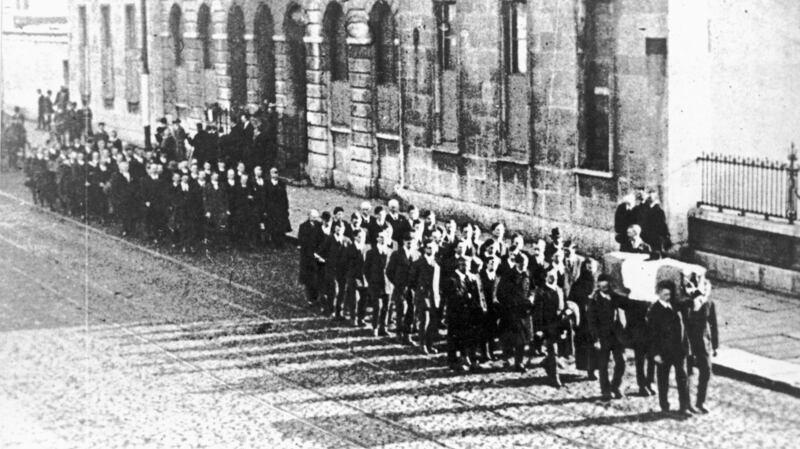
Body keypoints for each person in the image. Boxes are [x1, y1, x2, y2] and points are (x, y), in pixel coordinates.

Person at [647, 280, 694, 416]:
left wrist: (693, 289)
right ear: (659, 294)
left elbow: (692, 304)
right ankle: (664, 406)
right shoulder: (655, 310)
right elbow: (651, 334)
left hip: (679, 351)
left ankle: (683, 407)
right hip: (663, 352)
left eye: (670, 294)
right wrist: (655, 353)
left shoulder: (675, 306)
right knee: (663, 380)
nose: (668, 296)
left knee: (683, 379)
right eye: (665, 294)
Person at [587, 274, 628, 399]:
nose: (604, 288)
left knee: (621, 362)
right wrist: (595, 339)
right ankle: (605, 390)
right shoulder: (594, 300)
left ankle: (615, 386)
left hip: (617, 336)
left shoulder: (616, 297)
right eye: (601, 286)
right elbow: (591, 322)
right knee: (603, 365)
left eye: (606, 285)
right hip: (602, 336)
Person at [443, 255, 486, 371]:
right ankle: (454, 362)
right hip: (456, 314)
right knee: (455, 339)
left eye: (467, 265)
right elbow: (452, 296)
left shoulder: (471, 278)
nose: (465, 267)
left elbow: (477, 294)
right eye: (463, 265)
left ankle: (470, 360)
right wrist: (465, 296)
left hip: (469, 313)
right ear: (459, 265)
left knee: (469, 337)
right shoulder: (452, 279)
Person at [685, 276, 718, 414]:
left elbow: (713, 324)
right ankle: (686, 404)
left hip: (704, 343)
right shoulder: (688, 303)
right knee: (688, 374)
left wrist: (715, 345)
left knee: (706, 371)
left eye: (706, 288)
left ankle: (700, 402)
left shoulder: (709, 303)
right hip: (689, 342)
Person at [495, 253, 533, 373]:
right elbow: (500, 293)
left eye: (525, 264)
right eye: (522, 264)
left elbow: (531, 289)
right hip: (510, 312)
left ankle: (519, 363)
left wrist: (531, 297)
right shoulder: (508, 275)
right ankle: (507, 360)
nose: (524, 266)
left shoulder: (526, 274)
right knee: (509, 339)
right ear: (517, 263)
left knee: (522, 339)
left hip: (523, 312)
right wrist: (511, 304)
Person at [532, 270, 566, 387]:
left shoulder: (560, 290)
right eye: (550, 277)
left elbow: (563, 307)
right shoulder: (541, 291)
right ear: (546, 278)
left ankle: (547, 363)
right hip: (547, 326)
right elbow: (537, 312)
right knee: (553, 351)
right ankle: (554, 377)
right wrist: (539, 329)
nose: (552, 278)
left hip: (559, 325)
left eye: (554, 276)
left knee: (557, 351)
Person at [569, 258, 598, 380]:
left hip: (596, 318)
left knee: (595, 344)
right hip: (583, 319)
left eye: (591, 267)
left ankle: (594, 369)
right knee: (584, 344)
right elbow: (572, 300)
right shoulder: (578, 283)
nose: (589, 269)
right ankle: (587, 368)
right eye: (587, 267)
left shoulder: (597, 283)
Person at [386, 232, 418, 345]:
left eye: (412, 240)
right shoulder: (397, 254)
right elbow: (389, 271)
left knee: (411, 311)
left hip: (412, 289)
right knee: (400, 311)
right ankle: (398, 334)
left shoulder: (416, 255)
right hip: (400, 287)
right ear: (404, 241)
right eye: (407, 240)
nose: (410, 242)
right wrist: (397, 283)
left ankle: (407, 335)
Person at [411, 239, 441, 354]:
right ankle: (422, 344)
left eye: (432, 247)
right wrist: (419, 292)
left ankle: (430, 344)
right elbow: (412, 281)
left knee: (433, 321)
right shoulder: (418, 263)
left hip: (434, 295)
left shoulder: (437, 262)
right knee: (425, 321)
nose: (430, 250)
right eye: (428, 247)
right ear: (425, 249)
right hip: (423, 296)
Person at [318, 220, 352, 319]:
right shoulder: (329, 239)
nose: (339, 229)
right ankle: (331, 310)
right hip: (332, 268)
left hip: (343, 270)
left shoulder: (347, 240)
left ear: (344, 229)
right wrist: (323, 260)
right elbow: (321, 252)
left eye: (341, 227)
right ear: (334, 228)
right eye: (337, 227)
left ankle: (339, 311)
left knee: (342, 290)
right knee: (334, 290)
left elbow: (351, 255)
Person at [365, 232, 392, 336]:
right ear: (377, 239)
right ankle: (375, 327)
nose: (383, 239)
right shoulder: (371, 252)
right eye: (381, 237)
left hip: (387, 284)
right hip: (375, 283)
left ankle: (383, 327)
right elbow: (366, 269)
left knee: (386, 306)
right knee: (377, 306)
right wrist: (371, 281)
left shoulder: (390, 252)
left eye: (385, 237)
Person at [344, 228, 370, 327]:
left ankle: (361, 318)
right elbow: (345, 264)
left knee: (364, 299)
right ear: (355, 237)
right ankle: (353, 318)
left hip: (365, 278)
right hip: (353, 277)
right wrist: (352, 277)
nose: (362, 238)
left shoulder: (367, 248)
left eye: (363, 236)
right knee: (354, 298)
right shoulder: (349, 249)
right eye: (360, 237)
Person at [110, 160, 140, 237]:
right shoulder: (116, 176)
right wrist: (119, 199)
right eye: (124, 167)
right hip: (122, 200)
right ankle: (125, 230)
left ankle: (132, 230)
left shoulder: (132, 175)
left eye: (127, 167)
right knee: (124, 216)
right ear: (120, 167)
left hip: (132, 199)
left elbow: (136, 186)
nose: (126, 168)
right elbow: (114, 189)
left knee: (132, 215)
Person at [297, 209, 322, 305]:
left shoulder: (319, 225)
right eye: (313, 217)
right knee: (309, 279)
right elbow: (301, 241)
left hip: (317, 255)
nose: (314, 218)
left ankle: (316, 297)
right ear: (309, 216)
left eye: (316, 217)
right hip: (307, 257)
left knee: (317, 277)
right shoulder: (303, 227)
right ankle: (310, 298)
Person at [640, 189, 671, 256]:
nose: (650, 197)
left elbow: (662, 226)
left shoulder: (659, 211)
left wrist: (665, 236)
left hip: (655, 238)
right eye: (649, 195)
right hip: (646, 236)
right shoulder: (646, 208)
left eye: (652, 195)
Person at [265, 167, 290, 248]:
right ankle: (272, 242)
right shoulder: (267, 184)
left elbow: (285, 198)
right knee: (272, 225)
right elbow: (265, 197)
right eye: (273, 173)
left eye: (276, 173)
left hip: (280, 209)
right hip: (271, 209)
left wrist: (286, 209)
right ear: (270, 174)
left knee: (280, 226)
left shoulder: (281, 184)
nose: (275, 175)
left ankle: (280, 242)